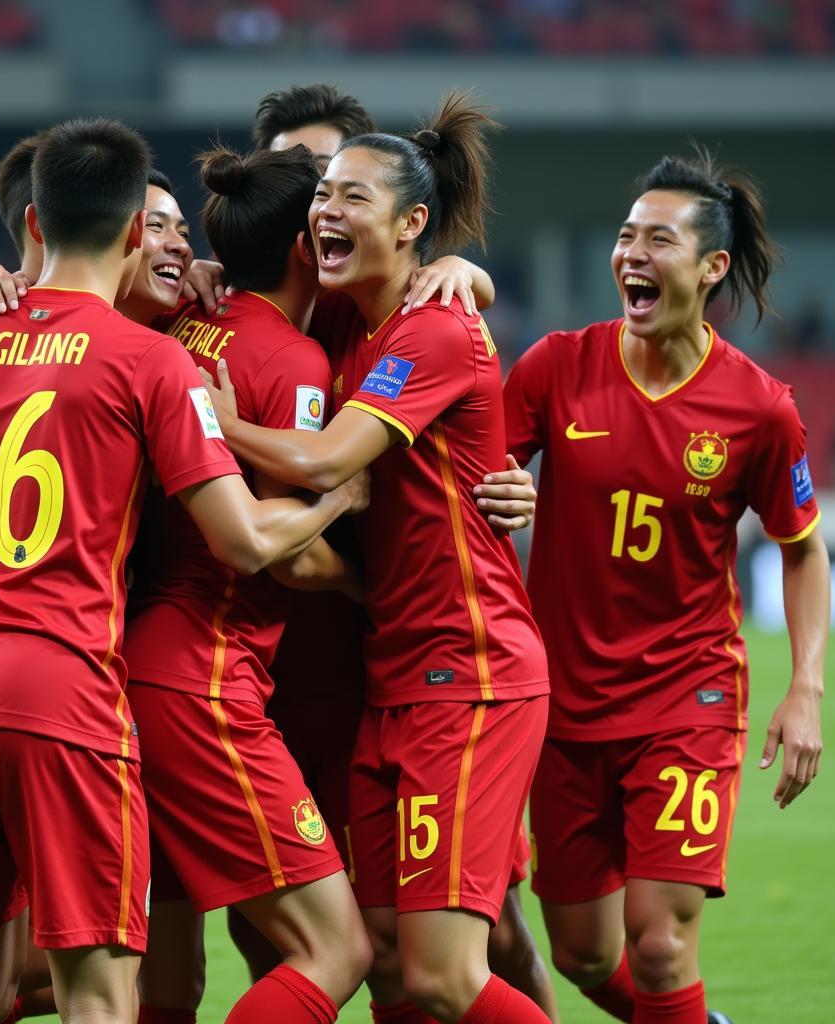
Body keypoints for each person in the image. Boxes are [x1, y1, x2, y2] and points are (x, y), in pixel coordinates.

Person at [0, 117, 364, 1024]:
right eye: (156, 227)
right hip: (64, 695)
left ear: (34, 226)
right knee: (103, 994)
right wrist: (336, 503)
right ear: (124, 233)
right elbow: (242, 540)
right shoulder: (152, 359)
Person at [202, 91, 552, 1024]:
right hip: (371, 665)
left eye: (347, 192)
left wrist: (222, 423)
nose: (323, 208)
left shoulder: (428, 321)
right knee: (383, 951)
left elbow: (325, 459)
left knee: (457, 959)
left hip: (463, 668)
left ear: (411, 224)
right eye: (317, 193)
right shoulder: (339, 322)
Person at [477, 146, 829, 1024]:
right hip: (559, 703)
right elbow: (466, 479)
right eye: (626, 236)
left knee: (661, 944)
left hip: (687, 693)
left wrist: (807, 690)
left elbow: (803, 547)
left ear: (711, 267)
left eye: (658, 240)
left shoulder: (760, 409)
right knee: (585, 955)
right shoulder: (556, 367)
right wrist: (503, 493)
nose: (632, 254)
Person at [125, 142, 374, 1024]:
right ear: (307, 245)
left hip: (125, 672)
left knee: (159, 980)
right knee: (337, 946)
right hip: (204, 679)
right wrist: (366, 583)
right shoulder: (295, 363)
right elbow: (285, 549)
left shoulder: (171, 324)